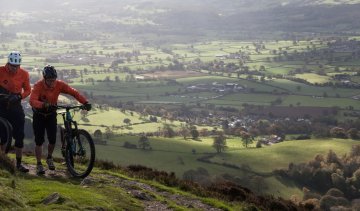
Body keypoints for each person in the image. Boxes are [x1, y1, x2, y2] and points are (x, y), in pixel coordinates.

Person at [29, 65, 91, 174]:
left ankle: (49, 158)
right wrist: (44, 104)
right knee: (39, 141)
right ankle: (39, 163)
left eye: (54, 80)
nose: (52, 82)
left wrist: (85, 102)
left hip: (51, 114)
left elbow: (73, 92)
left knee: (52, 139)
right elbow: (32, 101)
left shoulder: (59, 84)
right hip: (39, 115)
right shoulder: (38, 86)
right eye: (49, 80)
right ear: (44, 78)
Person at [0, 51, 31, 172]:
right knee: (2, 135)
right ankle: (2, 161)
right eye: (12, 65)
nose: (14, 68)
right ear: (8, 63)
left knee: (20, 135)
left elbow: (28, 90)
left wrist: (19, 97)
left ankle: (19, 163)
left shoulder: (24, 74)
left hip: (15, 105)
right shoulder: (1, 71)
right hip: (1, 105)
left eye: (17, 66)